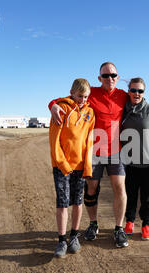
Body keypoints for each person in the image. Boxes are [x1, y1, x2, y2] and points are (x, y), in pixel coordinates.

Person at [49, 62, 149, 248]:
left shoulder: (123, 95)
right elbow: (67, 99)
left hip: (116, 151)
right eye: (105, 76)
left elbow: (140, 99)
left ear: (117, 78)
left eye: (113, 75)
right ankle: (93, 224)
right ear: (99, 78)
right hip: (93, 152)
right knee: (92, 188)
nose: (109, 78)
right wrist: (53, 105)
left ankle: (119, 229)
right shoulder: (91, 92)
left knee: (120, 188)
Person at [49, 79, 95, 258]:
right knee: (62, 203)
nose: (82, 100)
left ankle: (74, 236)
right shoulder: (61, 108)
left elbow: (89, 141)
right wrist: (63, 164)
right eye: (79, 96)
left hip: (81, 167)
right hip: (62, 167)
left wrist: (88, 166)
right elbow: (54, 141)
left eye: (85, 97)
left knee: (77, 202)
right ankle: (61, 240)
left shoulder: (90, 113)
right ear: (71, 92)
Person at [120, 78, 149, 241]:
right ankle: (129, 222)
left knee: (147, 196)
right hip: (130, 161)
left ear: (144, 93)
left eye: (140, 91)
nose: (136, 94)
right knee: (130, 194)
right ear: (128, 91)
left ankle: (146, 225)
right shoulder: (122, 109)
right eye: (133, 90)